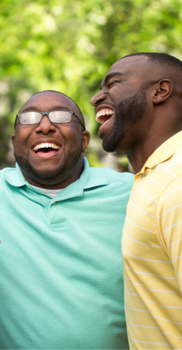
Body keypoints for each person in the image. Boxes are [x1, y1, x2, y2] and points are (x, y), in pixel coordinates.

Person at [0, 90, 133, 349]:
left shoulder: (132, 192)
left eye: (60, 116)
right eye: (29, 118)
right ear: (14, 142)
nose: (44, 126)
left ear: (84, 140)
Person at [90, 52, 182, 349]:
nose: (95, 98)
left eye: (112, 84)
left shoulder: (177, 182)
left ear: (160, 91)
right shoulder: (153, 177)